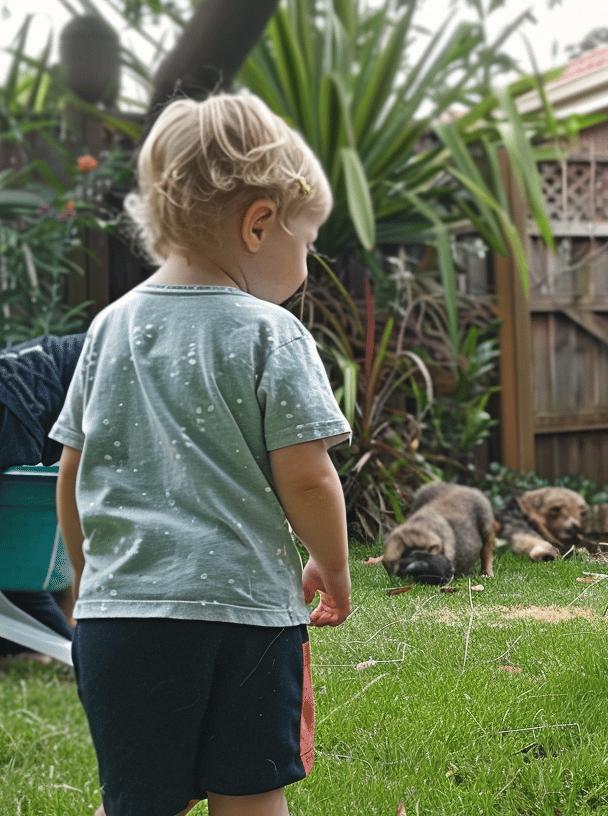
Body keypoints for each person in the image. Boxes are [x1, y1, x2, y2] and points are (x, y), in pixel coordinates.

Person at [50, 92, 353, 816]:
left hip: (119, 623)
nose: (306, 264)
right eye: (306, 242)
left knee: (138, 800)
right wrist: (334, 569)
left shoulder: (108, 328)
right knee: (250, 797)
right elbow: (308, 478)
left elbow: (72, 472)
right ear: (260, 223)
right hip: (243, 622)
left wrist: (92, 584)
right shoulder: (271, 334)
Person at [0, 332, 86, 660]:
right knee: (15, 557)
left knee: (15, 557)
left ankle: (52, 648)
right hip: (22, 398)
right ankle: (53, 648)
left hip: (22, 397)